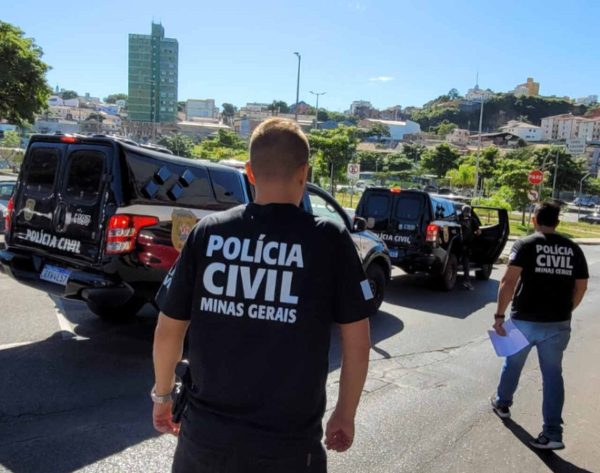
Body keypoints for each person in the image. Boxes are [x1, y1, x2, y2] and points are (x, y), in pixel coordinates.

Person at [152, 117, 374, 472]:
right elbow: (358, 342)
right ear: (304, 173)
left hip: (205, 443)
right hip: (288, 449)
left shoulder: (208, 233)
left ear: (249, 172)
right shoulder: (329, 240)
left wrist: (163, 394)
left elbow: (168, 330)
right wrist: (345, 414)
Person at [490, 202, 588, 450]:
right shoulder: (573, 249)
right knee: (553, 375)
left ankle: (502, 403)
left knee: (513, 363)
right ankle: (553, 433)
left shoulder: (525, 244)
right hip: (558, 323)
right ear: (557, 222)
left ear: (534, 220)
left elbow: (508, 282)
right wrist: (567, 310)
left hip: (524, 319)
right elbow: (581, 287)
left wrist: (499, 315)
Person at [459, 205, 481, 290]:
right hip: (467, 244)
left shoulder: (458, 218)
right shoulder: (473, 220)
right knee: (466, 261)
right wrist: (474, 234)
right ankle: (466, 281)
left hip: (456, 243)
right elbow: (478, 232)